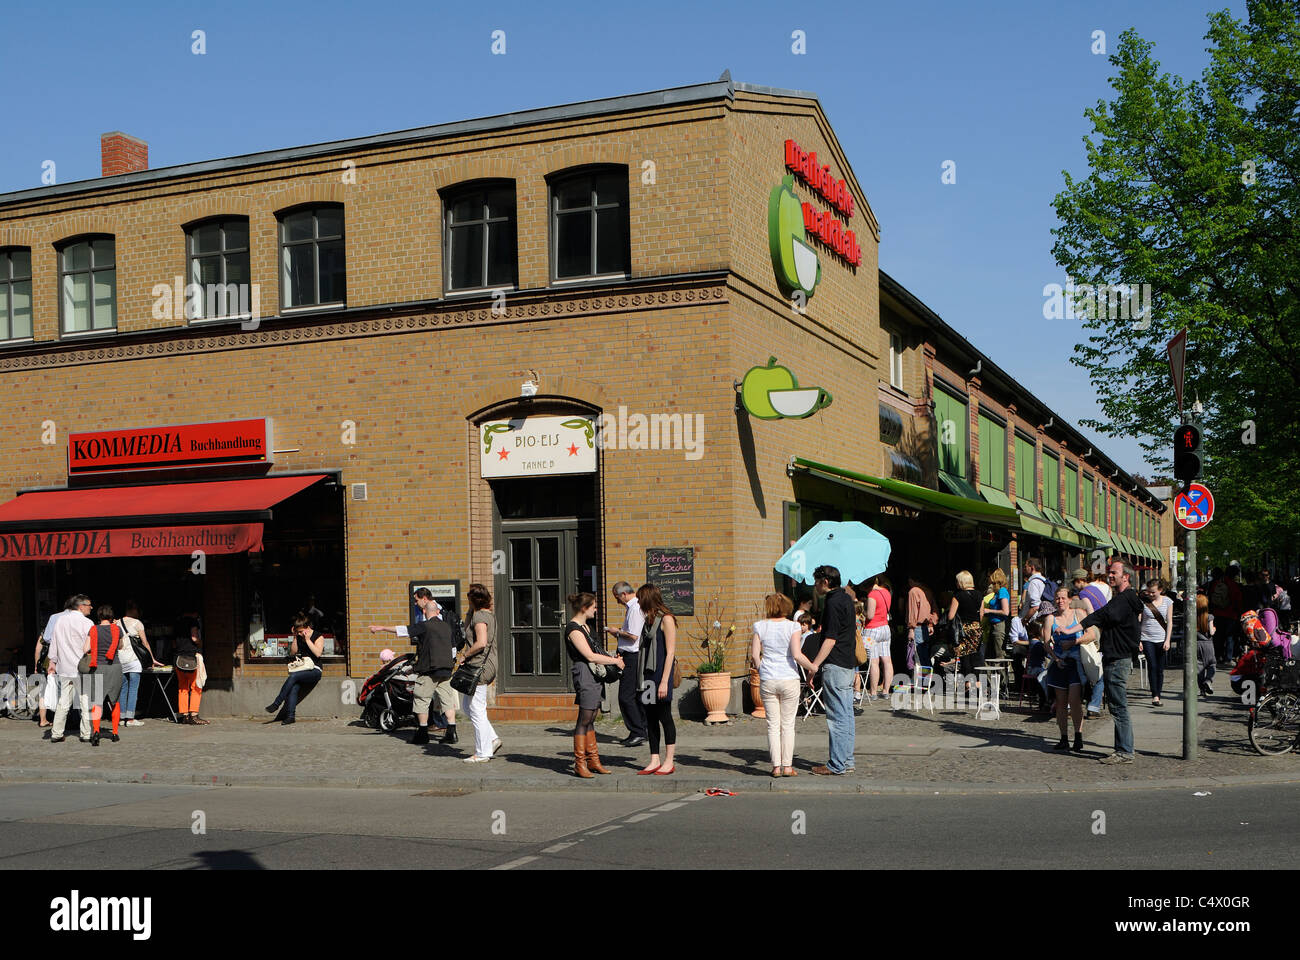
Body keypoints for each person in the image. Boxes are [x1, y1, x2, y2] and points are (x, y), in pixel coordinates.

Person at [370, 588, 456, 745]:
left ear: (425, 611)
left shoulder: (425, 626)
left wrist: (381, 628)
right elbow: (452, 649)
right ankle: (452, 731)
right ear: (437, 612)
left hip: (430, 670)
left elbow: (403, 630)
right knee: (447, 700)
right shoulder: (447, 627)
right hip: (446, 670)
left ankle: (422, 733)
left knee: (421, 699)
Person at [1079, 561, 1143, 764]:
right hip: (1116, 657)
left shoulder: (1124, 599)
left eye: (1114, 572)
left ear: (1126, 576)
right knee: (1116, 705)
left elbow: (1105, 614)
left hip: (1117, 659)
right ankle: (1122, 749)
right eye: (1109, 572)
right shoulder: (1124, 599)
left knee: (1118, 706)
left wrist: (1080, 624)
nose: (1110, 575)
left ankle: (1124, 751)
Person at [751, 593, 816, 777]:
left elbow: (756, 655)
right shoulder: (793, 626)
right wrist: (812, 667)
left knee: (772, 725)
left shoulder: (760, 626)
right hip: (788, 677)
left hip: (768, 678)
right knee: (787, 724)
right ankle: (787, 766)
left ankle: (776, 767)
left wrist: (761, 669)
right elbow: (796, 654)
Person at [564, 592, 623, 778]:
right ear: (584, 608)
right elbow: (589, 656)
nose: (596, 609)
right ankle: (580, 763)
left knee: (591, 717)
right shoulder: (574, 629)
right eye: (593, 606)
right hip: (584, 673)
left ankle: (593, 760)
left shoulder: (586, 627)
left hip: (594, 674)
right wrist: (613, 662)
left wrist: (612, 659)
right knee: (584, 718)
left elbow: (596, 650)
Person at [807, 565, 857, 776]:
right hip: (847, 662)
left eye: (816, 581)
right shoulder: (846, 598)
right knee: (846, 715)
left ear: (825, 582)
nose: (815, 586)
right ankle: (847, 760)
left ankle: (836, 763)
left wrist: (814, 666)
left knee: (836, 717)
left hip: (835, 663)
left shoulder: (833, 602)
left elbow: (830, 639)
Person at [635, 583, 678, 776]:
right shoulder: (648, 622)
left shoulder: (666, 619)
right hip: (647, 675)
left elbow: (670, 653)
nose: (638, 603)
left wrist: (664, 681)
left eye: (640, 599)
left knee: (664, 716)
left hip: (661, 674)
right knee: (650, 718)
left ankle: (669, 760)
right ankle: (654, 759)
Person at [459, 583, 502, 763]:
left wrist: (464, 655)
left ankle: (483, 752)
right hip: (484, 665)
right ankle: (492, 739)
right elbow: (465, 630)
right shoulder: (483, 615)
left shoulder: (481, 618)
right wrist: (470, 610)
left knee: (476, 709)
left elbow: (481, 642)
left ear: (473, 600)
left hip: (480, 666)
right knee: (468, 707)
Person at [1043, 590, 1087, 752]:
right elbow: (1046, 643)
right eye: (1057, 598)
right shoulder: (1050, 618)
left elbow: (1091, 634)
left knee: (1074, 701)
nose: (1060, 601)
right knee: (1060, 703)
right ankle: (1063, 738)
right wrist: (1055, 658)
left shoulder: (1079, 614)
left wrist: (1075, 641)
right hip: (1059, 664)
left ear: (1069, 600)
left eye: (1063, 598)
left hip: (1076, 664)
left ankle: (1078, 736)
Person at [604, 580, 647, 748]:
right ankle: (642, 729)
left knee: (625, 696)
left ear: (623, 594)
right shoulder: (634, 608)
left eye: (616, 597)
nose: (616, 601)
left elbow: (633, 636)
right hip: (629, 654)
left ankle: (638, 732)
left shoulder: (635, 608)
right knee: (635, 696)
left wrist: (617, 632)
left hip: (632, 656)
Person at [49, 596, 95, 743]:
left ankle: (56, 732)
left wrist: (52, 661)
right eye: (89, 605)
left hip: (64, 667)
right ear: (81, 606)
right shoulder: (87, 623)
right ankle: (86, 733)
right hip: (82, 667)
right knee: (85, 700)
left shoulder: (60, 620)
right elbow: (92, 646)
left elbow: (54, 643)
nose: (91, 607)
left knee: (64, 701)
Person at [263, 613, 323, 725]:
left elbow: (318, 653)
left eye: (301, 631)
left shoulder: (318, 636)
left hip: (315, 670)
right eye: (298, 632)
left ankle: (276, 703)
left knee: (293, 676)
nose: (300, 634)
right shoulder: (299, 637)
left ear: (307, 627)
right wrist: (295, 637)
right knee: (294, 686)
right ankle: (290, 716)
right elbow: (293, 652)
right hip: (303, 669)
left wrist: (308, 640)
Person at [81, 605, 125, 746]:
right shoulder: (117, 629)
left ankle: (96, 731)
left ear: (99, 616)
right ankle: (115, 733)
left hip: (98, 667)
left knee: (97, 701)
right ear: (111, 616)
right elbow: (121, 646)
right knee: (115, 701)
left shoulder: (93, 629)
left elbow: (85, 648)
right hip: (114, 667)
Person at [116, 602, 160, 727]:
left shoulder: (117, 623)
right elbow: (145, 643)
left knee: (123, 689)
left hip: (121, 659)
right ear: (134, 610)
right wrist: (151, 659)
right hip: (134, 660)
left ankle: (121, 717)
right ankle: (130, 719)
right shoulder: (137, 623)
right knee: (133, 688)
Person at [1078, 570, 1111, 719]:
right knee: (1098, 668)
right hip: (1104, 630)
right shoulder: (1097, 589)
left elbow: (1092, 615)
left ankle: (1091, 702)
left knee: (1093, 669)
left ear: (1079, 581)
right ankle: (1094, 705)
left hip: (1094, 631)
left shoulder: (1083, 594)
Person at [1138, 579, 1174, 707]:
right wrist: (1139, 640)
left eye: (1153, 592)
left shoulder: (1168, 601)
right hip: (1147, 638)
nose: (1150, 594)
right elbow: (1139, 621)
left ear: (1160, 590)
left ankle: (1159, 692)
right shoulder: (1143, 602)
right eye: (1148, 592)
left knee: (1160, 668)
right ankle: (1155, 695)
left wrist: (1168, 640)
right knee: (1152, 666)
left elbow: (1169, 621)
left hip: (1161, 638)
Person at [863, 574, 893, 700]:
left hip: (872, 630)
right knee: (887, 660)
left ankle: (873, 692)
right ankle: (886, 690)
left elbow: (870, 615)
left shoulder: (872, 595)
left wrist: (861, 610)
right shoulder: (886, 592)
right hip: (885, 628)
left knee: (874, 661)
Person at [174, 619, 207, 725]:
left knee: (182, 688)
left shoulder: (178, 623)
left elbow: (173, 643)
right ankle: (193, 715)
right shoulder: (193, 622)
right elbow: (194, 638)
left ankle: (184, 716)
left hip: (179, 659)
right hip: (192, 658)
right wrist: (200, 643)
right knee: (196, 687)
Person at [1208, 564, 1243, 664]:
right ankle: (1228, 658)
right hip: (1231, 614)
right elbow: (1237, 600)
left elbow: (1211, 597)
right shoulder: (1234, 585)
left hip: (1217, 613)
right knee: (1230, 637)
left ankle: (1217, 655)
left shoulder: (1217, 583)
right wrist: (1238, 612)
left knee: (1218, 636)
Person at [980, 568, 1011, 661]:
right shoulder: (996, 593)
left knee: (999, 656)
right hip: (992, 626)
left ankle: (1002, 676)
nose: (991, 584)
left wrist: (989, 611)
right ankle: (988, 676)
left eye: (993, 582)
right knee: (988, 656)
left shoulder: (1002, 591)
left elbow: (1005, 611)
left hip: (999, 626)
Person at [906, 577, 934, 677]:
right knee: (925, 657)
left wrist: (911, 628)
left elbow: (913, 612)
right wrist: (931, 624)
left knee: (916, 657)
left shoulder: (913, 591)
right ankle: (927, 681)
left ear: (911, 580)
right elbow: (933, 609)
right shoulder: (927, 591)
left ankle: (920, 682)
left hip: (917, 627)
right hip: (925, 627)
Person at [1196, 594, 1217, 697]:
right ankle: (1208, 681)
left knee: (1199, 668)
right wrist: (1215, 629)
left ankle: (1201, 690)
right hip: (1208, 644)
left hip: (1196, 644)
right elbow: (1211, 632)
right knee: (1211, 664)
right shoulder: (1209, 616)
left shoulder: (1192, 617)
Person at [1019, 559, 1049, 623]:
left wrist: (1024, 620)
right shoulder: (1043, 580)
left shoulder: (1033, 582)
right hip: (1042, 618)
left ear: (1032, 567)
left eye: (1026, 566)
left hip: (1033, 620)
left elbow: (1035, 606)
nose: (1024, 569)